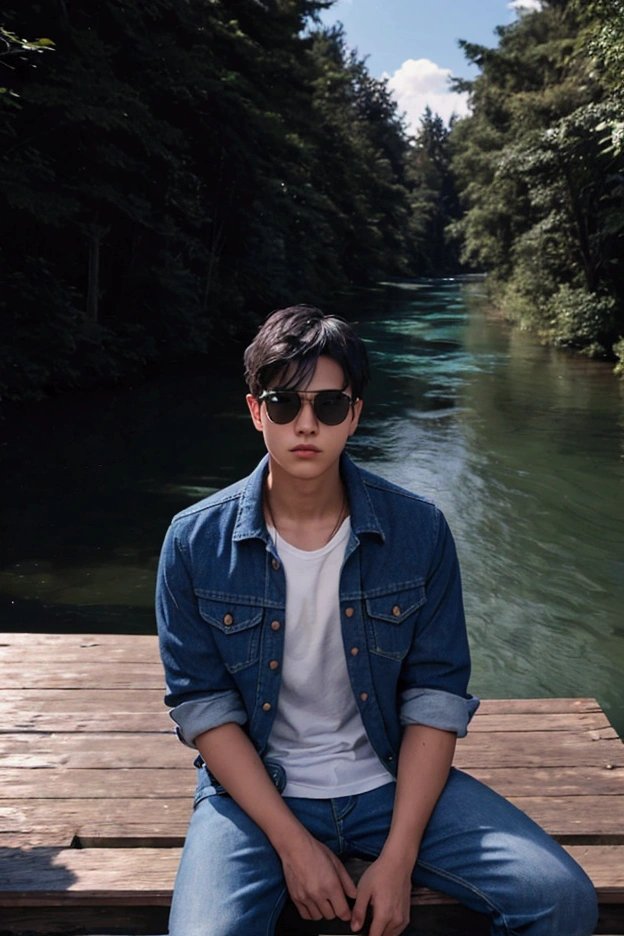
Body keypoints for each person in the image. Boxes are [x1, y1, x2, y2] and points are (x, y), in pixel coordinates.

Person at [156, 305, 598, 936]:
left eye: (329, 405)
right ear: (257, 412)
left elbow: (434, 699)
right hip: (257, 799)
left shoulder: (419, 531)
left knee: (559, 898)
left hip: (390, 779)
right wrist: (294, 845)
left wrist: (398, 857)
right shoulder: (194, 543)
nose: (306, 424)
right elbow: (204, 708)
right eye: (284, 404)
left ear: (355, 414)